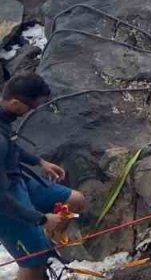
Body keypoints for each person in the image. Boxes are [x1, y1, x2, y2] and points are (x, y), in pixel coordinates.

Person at [0, 74, 88, 280]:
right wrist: (41, 219)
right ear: (14, 102)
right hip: (6, 206)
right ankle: (33, 250)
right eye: (31, 107)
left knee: (76, 200)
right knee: (34, 264)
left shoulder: (4, 116)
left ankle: (48, 241)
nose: (31, 112)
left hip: (17, 179)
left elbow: (10, 147)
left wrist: (39, 162)